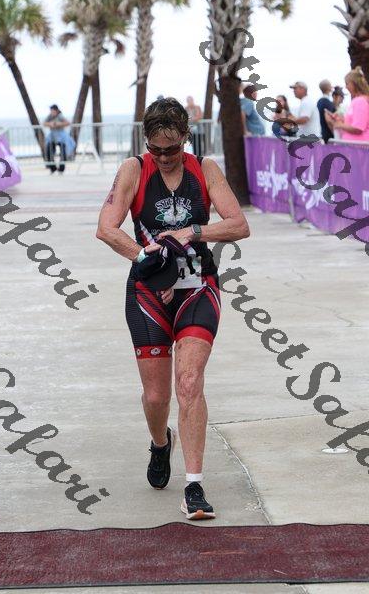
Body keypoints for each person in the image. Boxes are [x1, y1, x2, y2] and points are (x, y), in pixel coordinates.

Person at [96, 97, 250, 520]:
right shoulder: (134, 170)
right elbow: (106, 228)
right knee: (156, 395)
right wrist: (144, 257)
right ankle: (160, 443)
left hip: (198, 288)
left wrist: (192, 231)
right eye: (156, 149)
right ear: (146, 142)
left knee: (189, 382)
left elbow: (239, 225)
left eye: (172, 149)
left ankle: (194, 486)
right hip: (148, 292)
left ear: (186, 137)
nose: (164, 158)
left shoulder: (205, 169)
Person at [325, 67, 369, 142]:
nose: (346, 86)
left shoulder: (360, 101)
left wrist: (339, 125)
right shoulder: (358, 100)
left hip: (357, 146)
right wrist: (341, 119)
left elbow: (358, 128)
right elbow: (356, 122)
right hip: (355, 145)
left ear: (354, 84)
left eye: (347, 83)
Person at [43, 104, 74, 173]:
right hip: (52, 137)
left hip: (61, 137)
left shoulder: (60, 116)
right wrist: (50, 124)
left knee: (63, 152)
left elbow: (68, 122)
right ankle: (52, 167)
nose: (52, 112)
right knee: (49, 150)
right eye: (51, 111)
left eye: (53, 111)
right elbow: (44, 123)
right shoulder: (50, 116)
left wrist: (58, 124)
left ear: (56, 111)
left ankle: (61, 168)